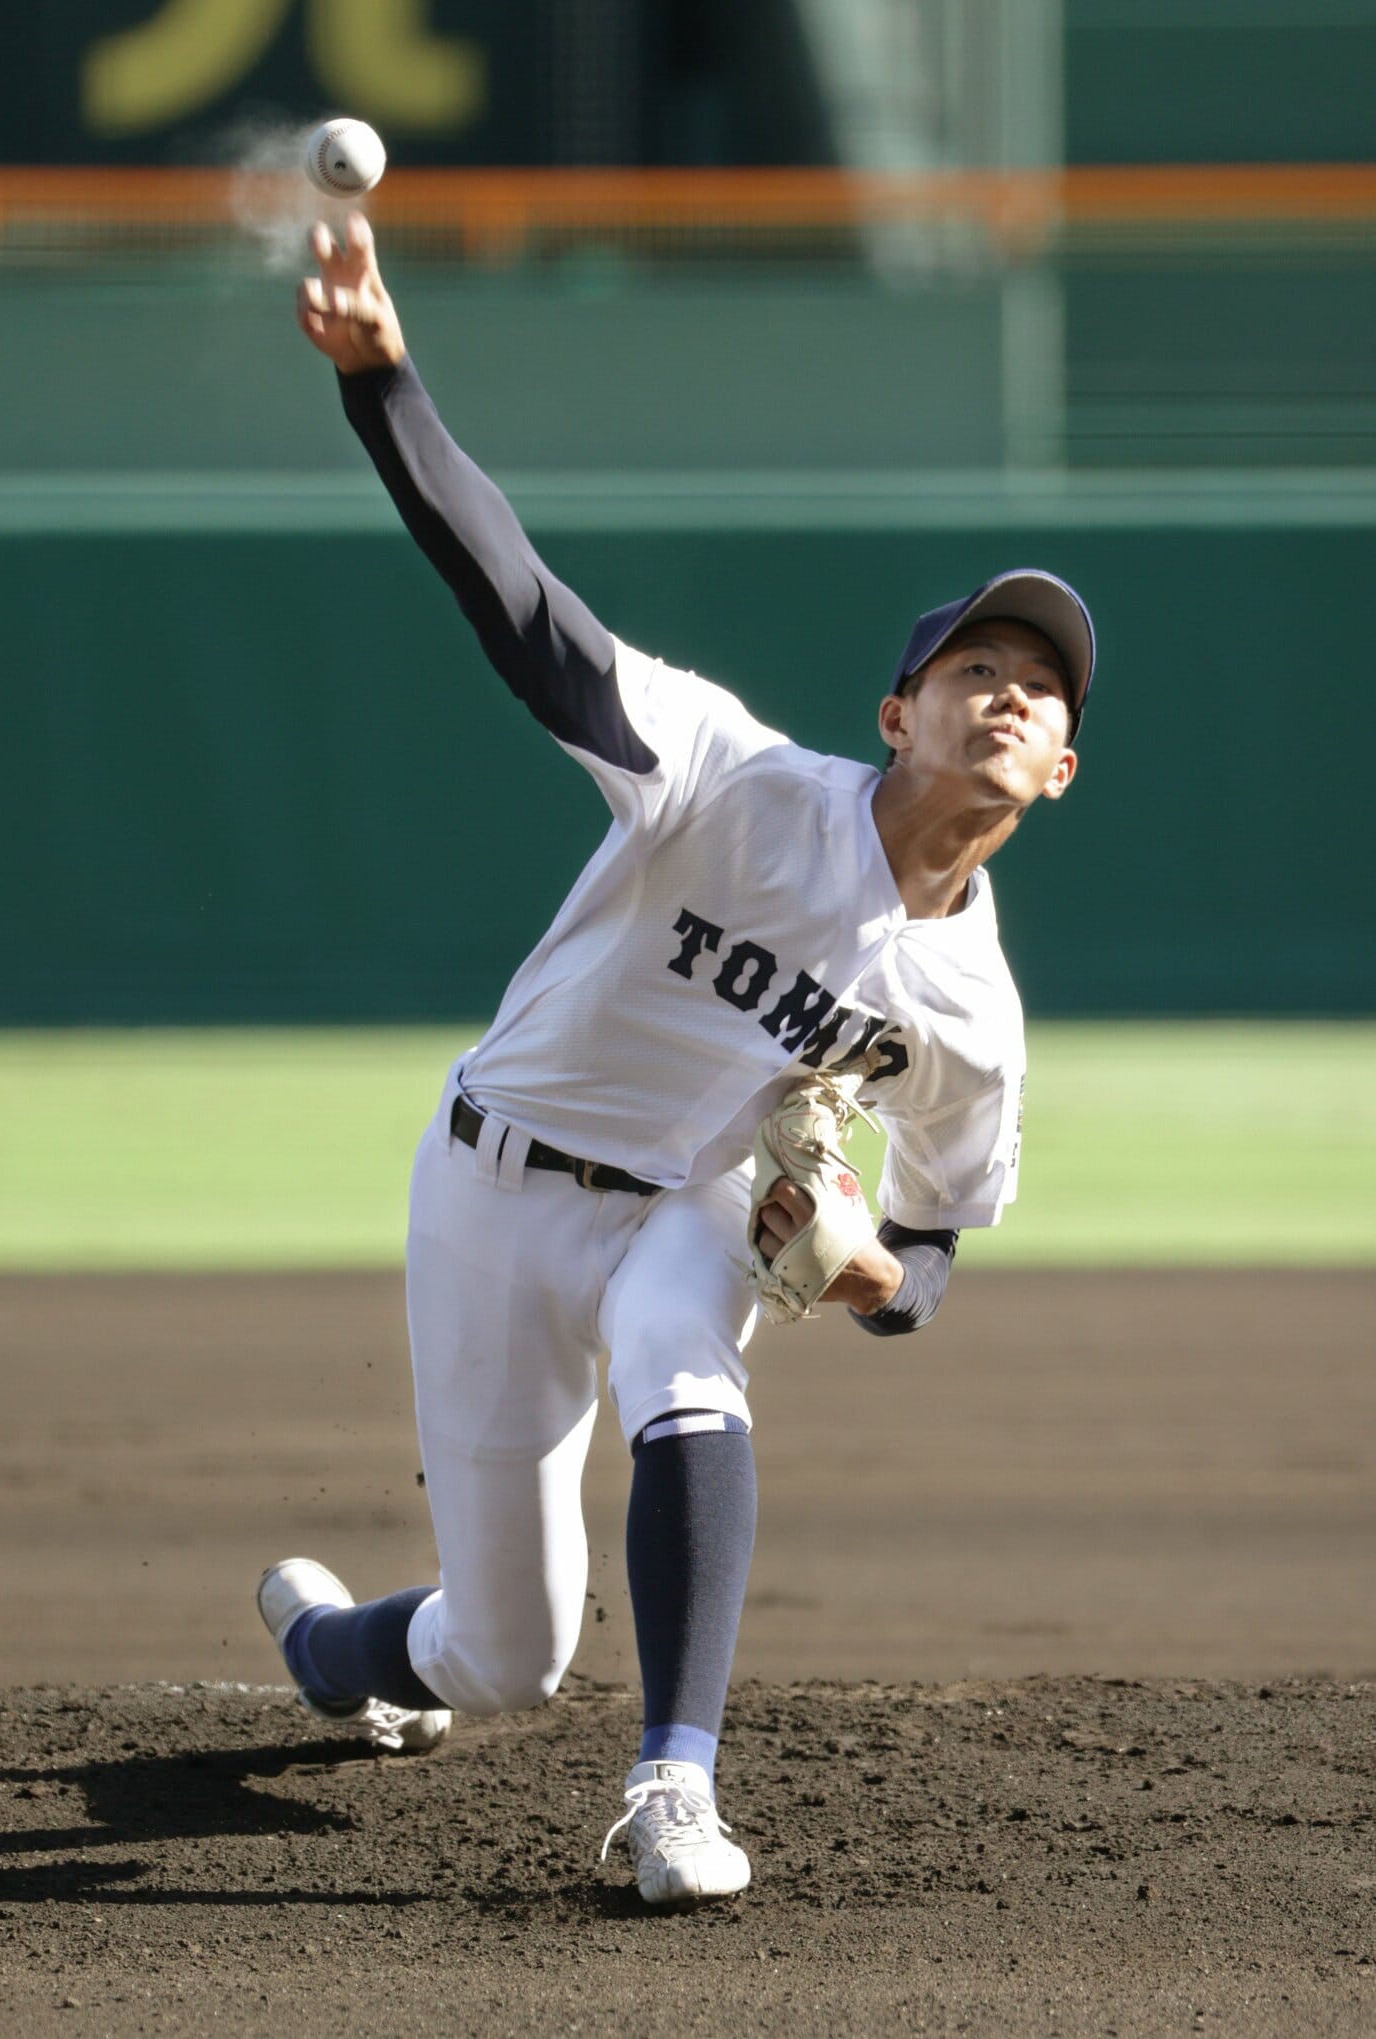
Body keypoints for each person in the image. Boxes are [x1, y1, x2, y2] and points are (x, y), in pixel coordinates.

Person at [257, 212, 1093, 1909]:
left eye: (1041, 691)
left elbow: (936, 1240)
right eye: (974, 668)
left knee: (687, 1357)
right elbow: (526, 616)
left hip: (691, 1205)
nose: (1007, 694)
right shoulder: (727, 775)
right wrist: (383, 389)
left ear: (1063, 771)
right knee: (503, 1658)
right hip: (494, 1186)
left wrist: (875, 1280)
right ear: (898, 714)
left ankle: (674, 1792)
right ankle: (337, 1650)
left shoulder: (973, 1015)